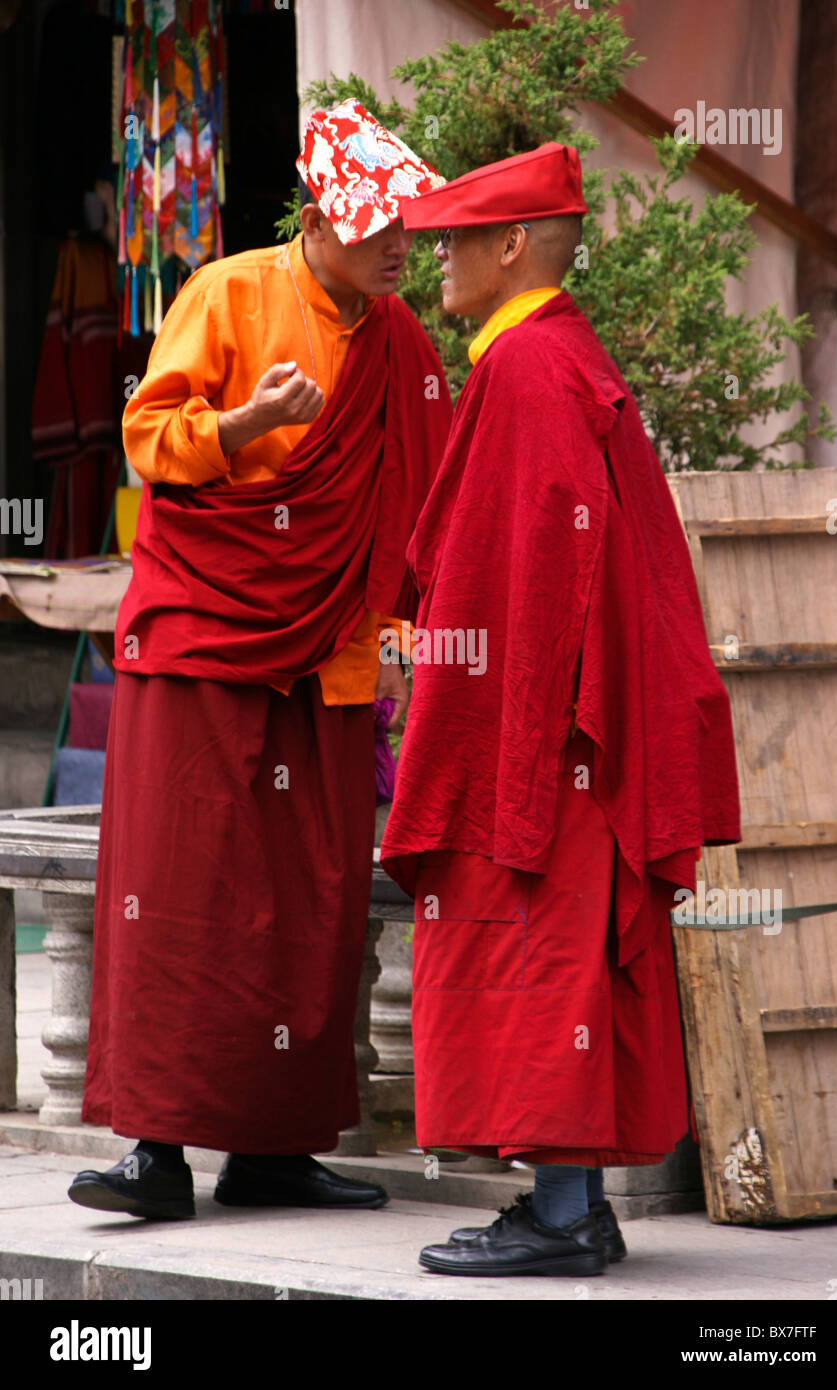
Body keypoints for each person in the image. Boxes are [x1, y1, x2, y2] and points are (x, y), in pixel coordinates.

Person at [68, 99, 451, 1221]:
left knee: (312, 908)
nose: (399, 245)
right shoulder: (229, 293)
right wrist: (236, 429)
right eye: (379, 223)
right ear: (320, 218)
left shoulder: (404, 348)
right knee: (178, 893)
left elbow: (426, 510)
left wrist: (410, 637)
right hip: (202, 650)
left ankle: (277, 1146)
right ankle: (153, 1148)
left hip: (328, 667)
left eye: (408, 227)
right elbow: (148, 437)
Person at [379, 142, 741, 1277]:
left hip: (542, 732)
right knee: (560, 958)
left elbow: (534, 580)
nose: (435, 256)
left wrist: (492, 733)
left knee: (540, 950)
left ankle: (563, 1212)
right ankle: (568, 1204)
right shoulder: (546, 356)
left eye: (454, 239)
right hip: (565, 720)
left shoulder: (529, 370)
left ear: (513, 245)